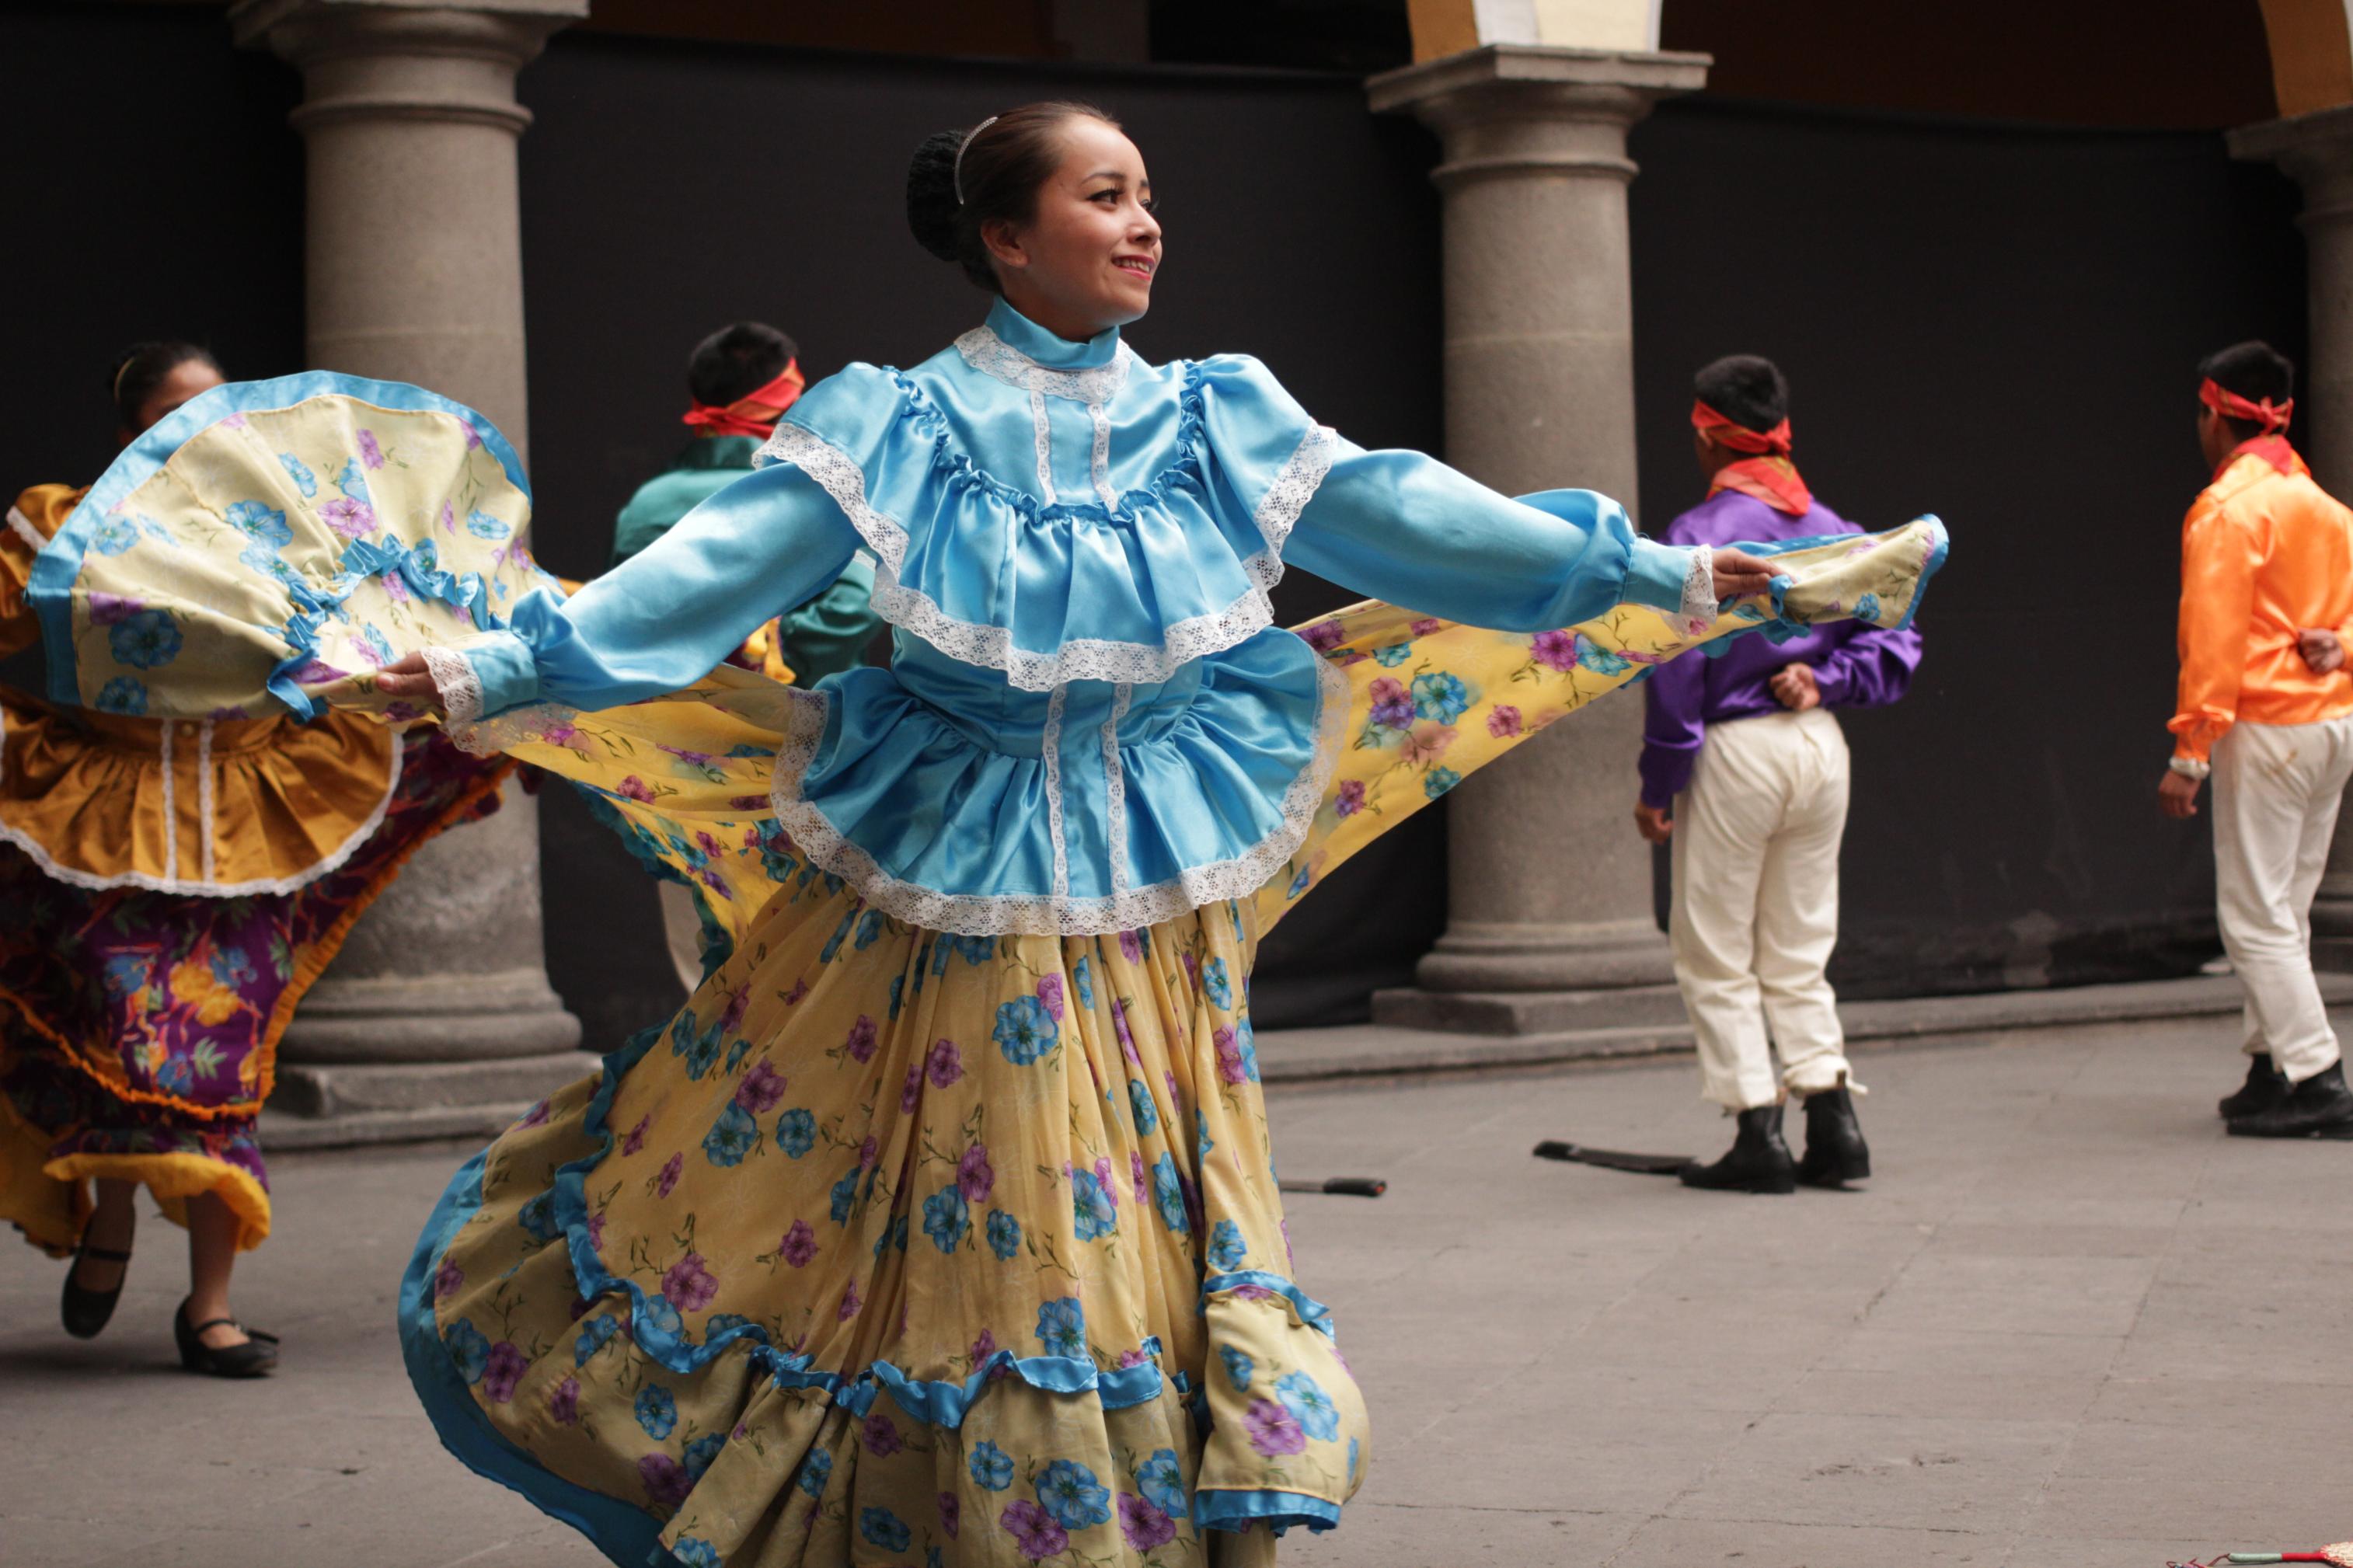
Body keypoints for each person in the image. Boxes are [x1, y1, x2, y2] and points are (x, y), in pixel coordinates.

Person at [51, 105, 1936, 1563]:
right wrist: (475, 667)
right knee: (983, 1228)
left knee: (1155, 1210)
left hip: (1147, 911)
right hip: (938, 903)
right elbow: (683, 593)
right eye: (1104, 194)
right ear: (1004, 233)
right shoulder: (884, 428)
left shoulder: (1216, 418)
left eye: (1146, 196)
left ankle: (1153, 1495)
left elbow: (1416, 523)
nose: (1142, 222)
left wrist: (1681, 581)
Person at [0, 342, 518, 1375]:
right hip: (105, 826)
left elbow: (384, 626)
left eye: (217, 410)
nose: (202, 431)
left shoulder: (295, 524)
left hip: (253, 824)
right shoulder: (56, 525)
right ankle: (109, 1222)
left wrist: (501, 682)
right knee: (124, 1047)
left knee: (219, 1063)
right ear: (128, 435)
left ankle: (209, 1306)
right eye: (172, 417)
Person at [1634, 356, 1923, 1193]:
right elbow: (1897, 637)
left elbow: (1677, 673)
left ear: (1704, 433)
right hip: (1818, 740)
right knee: (1799, 941)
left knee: (1715, 945)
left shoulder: (1698, 536)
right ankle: (1833, 1119)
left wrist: (1660, 780)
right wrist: (1827, 679)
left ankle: (1755, 1127)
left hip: (1735, 746)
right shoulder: (1836, 527)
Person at [611, 322, 886, 992]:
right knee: (816, 965)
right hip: (798, 750)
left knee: (706, 954)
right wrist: (773, 655)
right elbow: (852, 608)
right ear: (783, 400)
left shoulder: (647, 508)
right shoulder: (806, 498)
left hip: (681, 758)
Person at [2161, 340, 2353, 1140]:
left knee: (2255, 914)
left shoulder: (2227, 510)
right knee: (2288, 906)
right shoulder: (2325, 507)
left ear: (2213, 415)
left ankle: (2315, 1073)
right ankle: (2270, 1061)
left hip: (2266, 725)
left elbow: (2212, 640)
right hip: (2333, 721)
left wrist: (2188, 752)